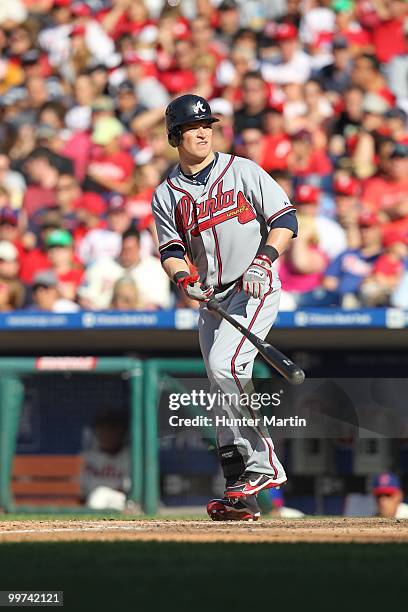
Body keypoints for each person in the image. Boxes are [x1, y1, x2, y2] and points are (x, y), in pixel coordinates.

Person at [152, 94, 298, 521]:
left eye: (208, 125)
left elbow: (286, 220)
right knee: (220, 393)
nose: (203, 132)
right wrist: (184, 280)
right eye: (194, 127)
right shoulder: (167, 193)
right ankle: (239, 492)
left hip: (254, 285)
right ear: (175, 135)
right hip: (213, 299)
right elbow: (172, 249)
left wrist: (264, 260)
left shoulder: (242, 170)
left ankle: (264, 464)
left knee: (226, 367)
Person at [80, 410, 131, 511]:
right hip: (93, 502)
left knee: (100, 495)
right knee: (99, 495)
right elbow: (82, 492)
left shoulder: (130, 456)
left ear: (121, 432)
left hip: (125, 502)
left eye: (111, 428)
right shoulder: (89, 457)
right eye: (102, 428)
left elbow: (129, 490)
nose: (106, 434)